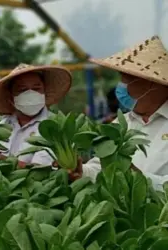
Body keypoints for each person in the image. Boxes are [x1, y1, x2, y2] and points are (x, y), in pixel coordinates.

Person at [70, 35, 168, 191]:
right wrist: (82, 171)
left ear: (151, 83)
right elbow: (101, 167)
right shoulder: (123, 123)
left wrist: (138, 178)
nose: (120, 87)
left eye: (127, 80)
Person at [0, 63, 72, 168]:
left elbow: (40, 171)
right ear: (11, 97)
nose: (30, 94)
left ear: (44, 92)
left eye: (36, 88)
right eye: (22, 90)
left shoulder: (54, 126)